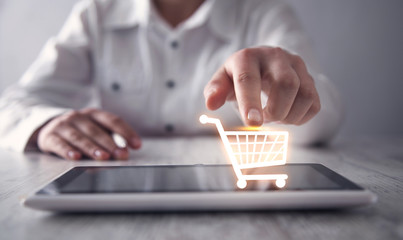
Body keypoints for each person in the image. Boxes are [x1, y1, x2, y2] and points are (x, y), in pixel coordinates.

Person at [0, 0, 343, 160]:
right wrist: (44, 124)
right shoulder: (96, 13)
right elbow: (12, 104)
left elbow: (324, 116)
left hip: (236, 191)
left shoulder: (264, 12)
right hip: (117, 182)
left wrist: (284, 92)